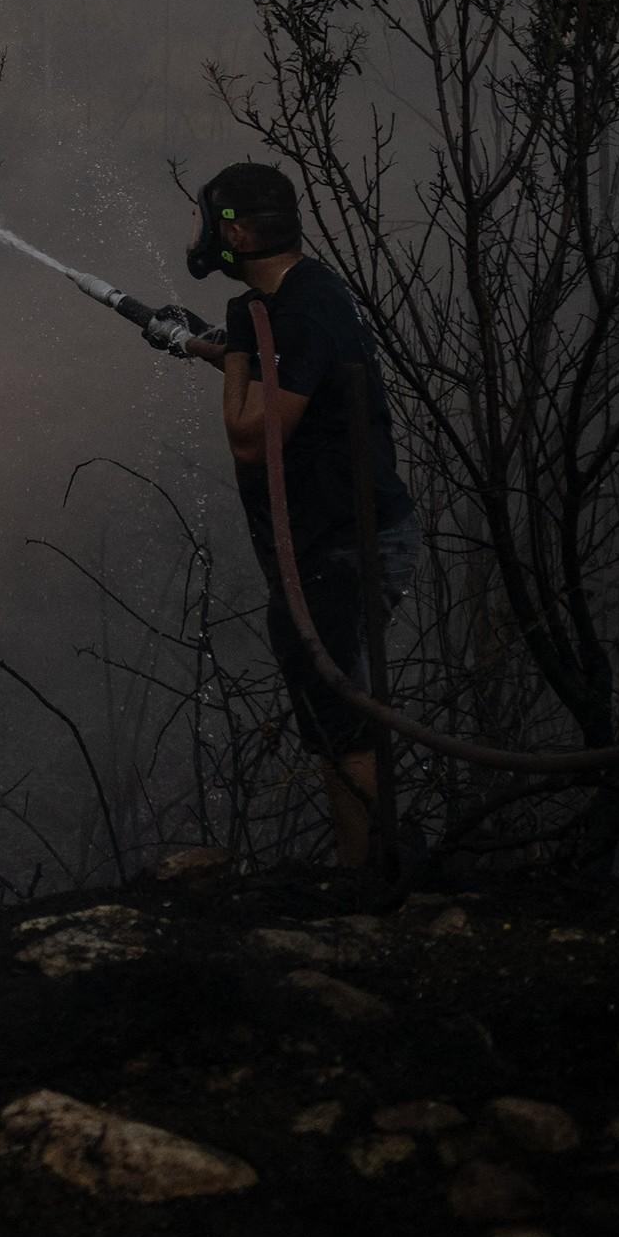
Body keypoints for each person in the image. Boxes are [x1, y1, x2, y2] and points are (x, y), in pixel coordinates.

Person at [161, 161, 421, 869]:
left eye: (210, 224)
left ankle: (364, 881)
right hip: (331, 536)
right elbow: (288, 381)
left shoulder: (295, 313)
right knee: (333, 705)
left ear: (236, 232)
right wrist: (202, 344)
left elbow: (251, 438)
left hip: (344, 544)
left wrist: (238, 344)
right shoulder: (293, 298)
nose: (203, 237)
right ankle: (369, 864)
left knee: (338, 717)